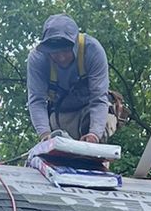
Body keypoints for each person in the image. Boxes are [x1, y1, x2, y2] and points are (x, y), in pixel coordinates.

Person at [26, 13, 111, 143]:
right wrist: (45, 135)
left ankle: (94, 160)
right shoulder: (38, 59)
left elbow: (99, 98)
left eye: (65, 51)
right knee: (58, 147)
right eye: (55, 52)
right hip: (62, 113)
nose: (61, 57)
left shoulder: (93, 51)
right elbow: (37, 100)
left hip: (91, 111)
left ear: (76, 44)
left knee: (101, 126)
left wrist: (94, 135)